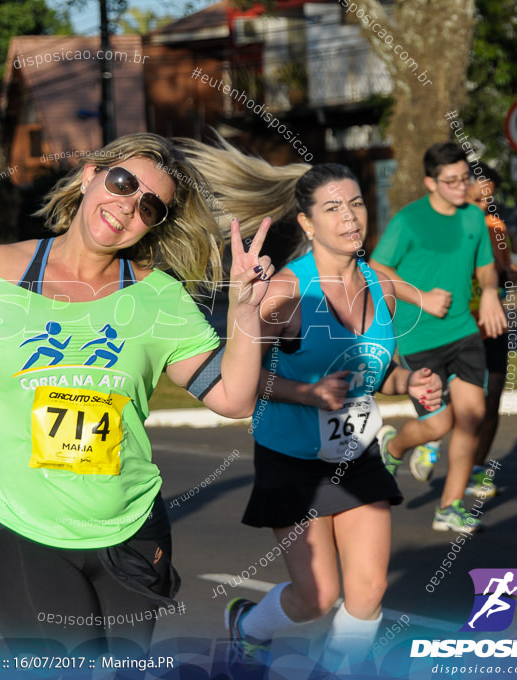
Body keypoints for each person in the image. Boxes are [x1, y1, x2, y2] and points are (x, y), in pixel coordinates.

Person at [0, 133, 283, 655]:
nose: (127, 206)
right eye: (122, 182)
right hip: (22, 526)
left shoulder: (159, 299)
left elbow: (234, 399)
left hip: (133, 530)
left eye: (149, 205)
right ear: (91, 175)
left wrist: (245, 316)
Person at [189, 160, 442, 673]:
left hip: (356, 449)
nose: (350, 217)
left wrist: (406, 382)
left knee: (369, 590)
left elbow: (372, 372)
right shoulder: (286, 294)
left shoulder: (380, 285)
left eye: (355, 203)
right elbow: (230, 381)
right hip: (291, 456)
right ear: (307, 224)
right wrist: (305, 392)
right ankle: (248, 626)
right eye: (333, 208)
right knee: (318, 596)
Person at [370, 142, 506, 533]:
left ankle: (450, 506)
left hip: (462, 331)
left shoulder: (474, 220)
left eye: (465, 178)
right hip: (417, 337)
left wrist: (492, 293)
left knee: (472, 417)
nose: (461, 187)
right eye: (451, 181)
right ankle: (394, 446)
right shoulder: (409, 221)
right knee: (439, 424)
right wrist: (422, 298)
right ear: (431, 182)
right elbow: (377, 268)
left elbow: (485, 269)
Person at [408, 167, 517, 495]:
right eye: (478, 195)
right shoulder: (443, 227)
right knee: (456, 395)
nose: (485, 203)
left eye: (490, 197)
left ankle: (476, 468)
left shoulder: (496, 226)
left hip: (492, 321)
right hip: (454, 322)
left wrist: (509, 274)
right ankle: (430, 440)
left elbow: (506, 268)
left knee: (492, 395)